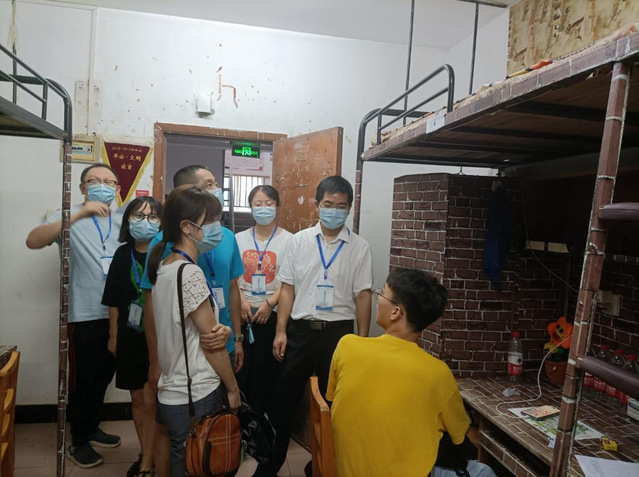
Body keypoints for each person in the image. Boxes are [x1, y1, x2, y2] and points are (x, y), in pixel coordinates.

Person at [254, 175, 373, 477]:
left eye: (341, 206)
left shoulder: (359, 247)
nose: (334, 210)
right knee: (282, 402)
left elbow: (363, 296)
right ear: (317, 205)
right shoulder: (299, 241)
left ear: (349, 209)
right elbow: (288, 288)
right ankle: (269, 467)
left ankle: (325, 467)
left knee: (335, 406)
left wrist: (362, 342)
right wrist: (281, 330)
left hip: (339, 335)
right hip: (300, 332)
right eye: (328, 204)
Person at [327, 267, 484, 476]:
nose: (377, 299)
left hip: (346, 470)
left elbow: (333, 400)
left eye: (382, 293)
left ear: (395, 312)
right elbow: (460, 435)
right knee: (483, 470)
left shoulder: (347, 346)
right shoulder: (438, 373)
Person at [26, 164, 123, 468]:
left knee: (104, 376)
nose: (102, 185)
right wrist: (77, 215)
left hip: (118, 313)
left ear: (118, 189)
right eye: (94, 180)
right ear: (82, 188)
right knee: (84, 379)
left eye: (109, 182)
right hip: (85, 313)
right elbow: (33, 240)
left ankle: (91, 427)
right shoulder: (67, 215)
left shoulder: (123, 219)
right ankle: (78, 441)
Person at [146, 185, 241, 476]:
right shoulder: (190, 274)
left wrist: (223, 331)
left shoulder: (165, 267)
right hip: (195, 391)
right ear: (187, 227)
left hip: (172, 388)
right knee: (195, 465)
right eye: (210, 221)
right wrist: (232, 388)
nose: (217, 228)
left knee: (182, 460)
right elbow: (212, 345)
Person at [101, 196, 163, 477]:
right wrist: (113, 336)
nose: (144, 222)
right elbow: (113, 301)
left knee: (152, 400)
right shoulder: (122, 254)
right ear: (128, 220)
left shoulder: (164, 253)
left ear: (161, 223)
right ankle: (146, 452)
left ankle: (150, 458)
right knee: (137, 400)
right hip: (129, 336)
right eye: (138, 216)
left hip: (159, 338)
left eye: (152, 217)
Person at [235, 185, 292, 414]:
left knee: (266, 377)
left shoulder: (290, 240)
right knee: (241, 374)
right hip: (242, 314)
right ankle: (240, 426)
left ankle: (261, 428)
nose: (263, 208)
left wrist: (270, 304)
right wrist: (240, 300)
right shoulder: (238, 239)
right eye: (258, 204)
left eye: (269, 203)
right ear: (250, 207)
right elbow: (232, 277)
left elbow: (289, 281)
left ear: (277, 206)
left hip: (273, 316)